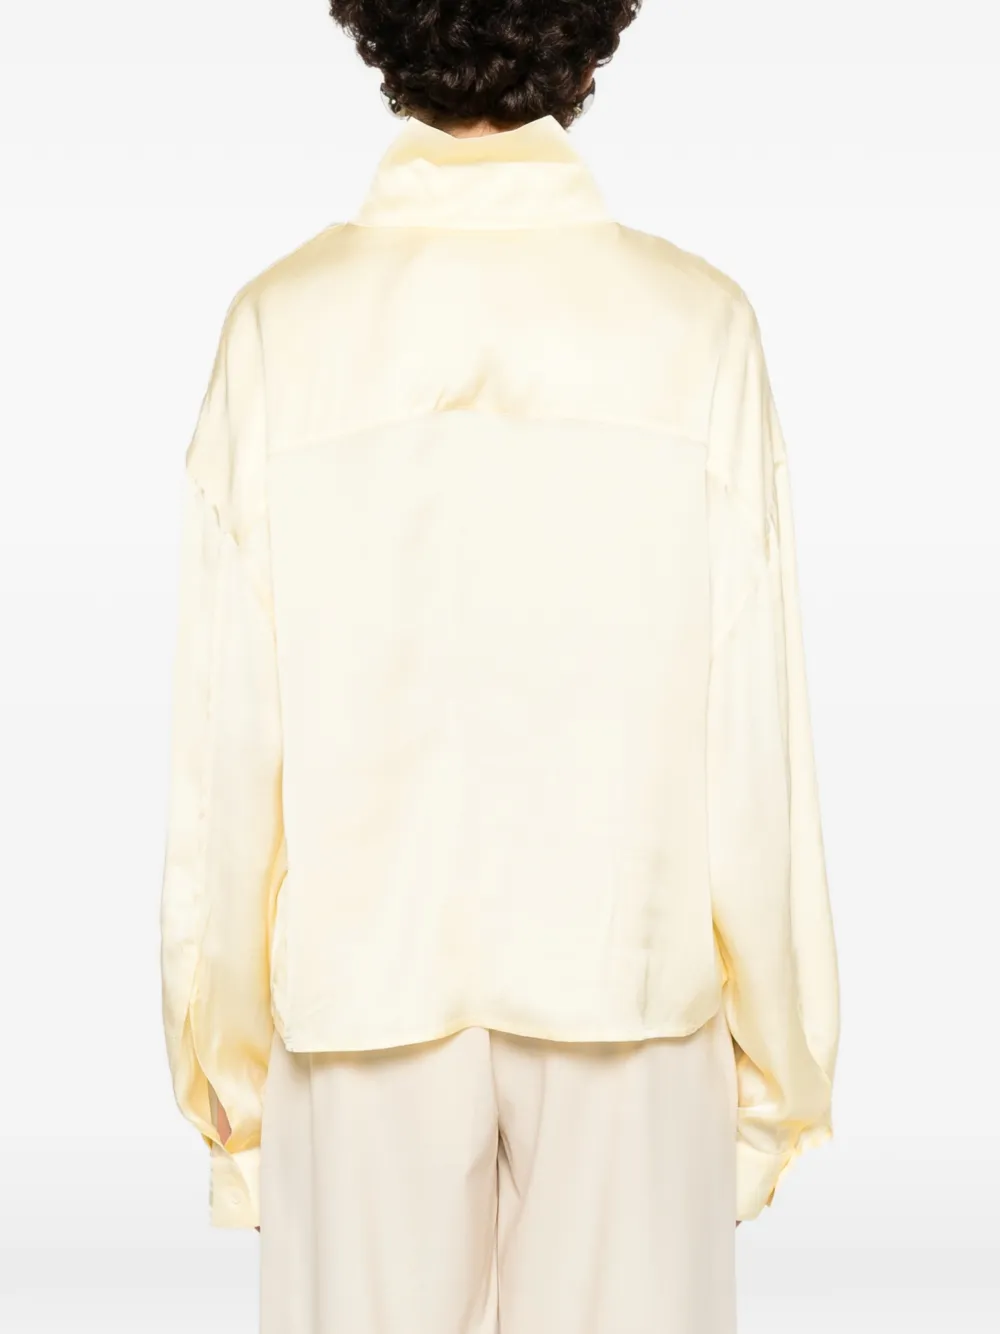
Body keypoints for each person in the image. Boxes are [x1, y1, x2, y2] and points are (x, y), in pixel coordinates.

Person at [159, 2, 840, 1331]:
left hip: (362, 1009)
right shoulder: (697, 329)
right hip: (629, 998)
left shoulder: (279, 330)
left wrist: (231, 1094)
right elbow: (755, 750)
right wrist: (776, 1083)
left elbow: (229, 766)